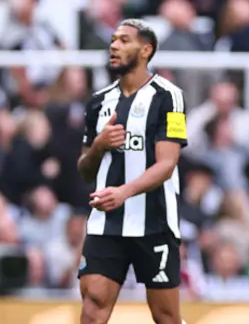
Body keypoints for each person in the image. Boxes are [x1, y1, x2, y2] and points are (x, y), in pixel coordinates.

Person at [77, 19, 187, 324]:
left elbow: (167, 164)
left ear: (146, 50)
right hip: (106, 223)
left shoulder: (169, 97)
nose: (114, 46)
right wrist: (99, 145)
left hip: (154, 221)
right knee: (93, 306)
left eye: (124, 40)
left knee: (166, 316)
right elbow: (85, 171)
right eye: (113, 39)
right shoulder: (99, 102)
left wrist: (124, 192)